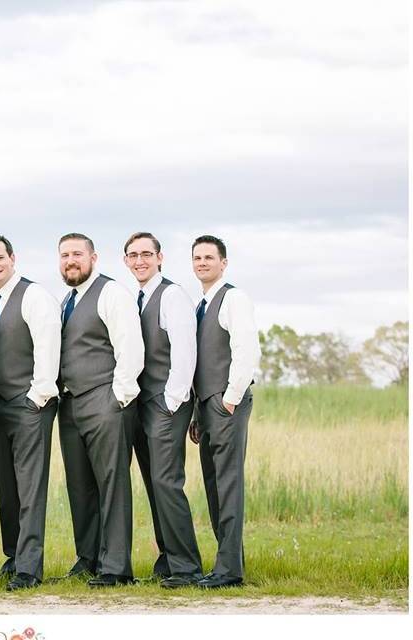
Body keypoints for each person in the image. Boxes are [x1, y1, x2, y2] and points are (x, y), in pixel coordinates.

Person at [56, 232, 144, 587]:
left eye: (77, 253)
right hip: (71, 404)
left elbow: (130, 348)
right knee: (80, 486)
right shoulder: (67, 300)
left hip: (105, 401)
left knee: (112, 484)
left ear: (94, 257)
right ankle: (88, 557)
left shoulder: (112, 293)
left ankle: (117, 567)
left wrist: (118, 398)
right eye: (64, 255)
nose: (70, 260)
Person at [0, 234, 61, 590]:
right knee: (7, 486)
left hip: (29, 404)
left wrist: (37, 396)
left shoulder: (35, 295)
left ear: (13, 258)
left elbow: (47, 344)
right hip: (0, 406)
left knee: (30, 486)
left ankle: (29, 568)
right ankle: (13, 557)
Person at [122, 232, 204, 588]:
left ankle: (187, 567)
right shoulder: (137, 298)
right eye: (133, 255)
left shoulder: (171, 295)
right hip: (144, 404)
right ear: (126, 260)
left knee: (167, 482)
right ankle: (168, 557)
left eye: (146, 254)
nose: (139, 260)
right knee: (155, 484)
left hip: (165, 404)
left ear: (160, 257)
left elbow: (184, 351)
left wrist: (172, 401)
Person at [189, 235, 260, 589]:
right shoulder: (200, 304)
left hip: (225, 404)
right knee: (215, 487)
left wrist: (229, 399)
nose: (202, 263)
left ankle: (229, 571)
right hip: (206, 407)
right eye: (197, 258)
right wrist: (198, 412)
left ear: (223, 262)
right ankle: (228, 562)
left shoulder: (233, 297)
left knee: (228, 485)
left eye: (209, 257)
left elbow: (245, 349)